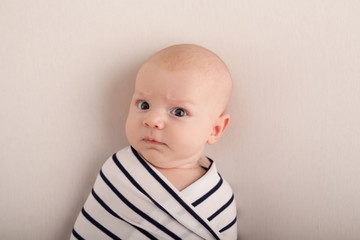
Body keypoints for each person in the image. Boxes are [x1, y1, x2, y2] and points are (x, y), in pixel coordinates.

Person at [71, 44, 237, 240]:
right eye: (144, 105)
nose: (152, 120)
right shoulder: (119, 170)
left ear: (215, 129)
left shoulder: (219, 197)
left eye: (178, 112)